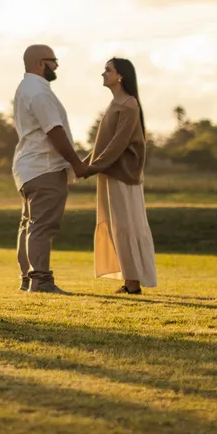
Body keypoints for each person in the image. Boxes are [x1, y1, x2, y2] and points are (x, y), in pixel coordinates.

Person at [11, 43, 88, 294]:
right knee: (42, 226)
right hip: (44, 167)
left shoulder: (25, 88)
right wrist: (76, 163)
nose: (56, 66)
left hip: (28, 168)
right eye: (53, 61)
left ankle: (27, 279)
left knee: (29, 225)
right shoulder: (39, 92)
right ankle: (41, 281)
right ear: (40, 63)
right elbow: (54, 130)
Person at [86, 57, 157, 294]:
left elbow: (118, 144)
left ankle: (133, 283)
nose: (103, 74)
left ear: (121, 76)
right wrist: (85, 163)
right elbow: (103, 144)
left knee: (126, 226)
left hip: (123, 175)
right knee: (117, 226)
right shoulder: (117, 104)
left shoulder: (128, 105)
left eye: (108, 70)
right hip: (111, 173)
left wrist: (91, 167)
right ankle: (129, 281)